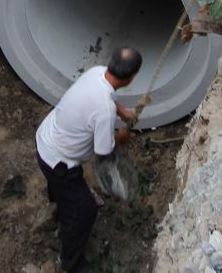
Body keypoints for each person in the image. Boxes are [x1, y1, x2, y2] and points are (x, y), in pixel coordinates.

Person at [35, 47, 142, 273]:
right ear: (131, 78)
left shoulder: (97, 72)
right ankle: (71, 263)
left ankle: (59, 207)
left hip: (46, 137)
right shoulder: (104, 110)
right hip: (58, 161)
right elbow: (103, 151)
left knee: (63, 191)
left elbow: (107, 98)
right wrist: (121, 136)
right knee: (85, 211)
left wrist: (123, 112)